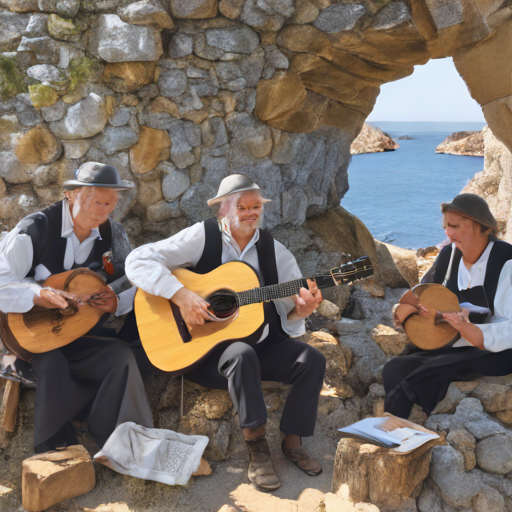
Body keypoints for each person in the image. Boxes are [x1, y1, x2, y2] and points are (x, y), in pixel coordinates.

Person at [125, 174, 326, 492]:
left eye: (256, 206)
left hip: (261, 347)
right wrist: (181, 295)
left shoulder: (275, 252)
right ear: (223, 210)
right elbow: (138, 260)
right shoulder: (202, 237)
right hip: (205, 352)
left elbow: (291, 314)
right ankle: (258, 450)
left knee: (312, 360)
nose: (250, 213)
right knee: (240, 355)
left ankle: (293, 440)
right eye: (242, 207)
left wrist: (300, 311)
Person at [0, 162, 153, 453]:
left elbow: (135, 278)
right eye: (98, 202)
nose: (105, 211)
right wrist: (37, 294)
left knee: (122, 357)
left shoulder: (112, 233)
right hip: (29, 337)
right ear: (72, 194)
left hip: (79, 332)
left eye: (111, 203)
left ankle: (115, 443)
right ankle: (55, 448)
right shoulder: (36, 229)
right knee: (52, 364)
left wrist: (116, 300)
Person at [383, 193, 512, 418]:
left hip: (494, 350)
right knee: (393, 369)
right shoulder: (448, 255)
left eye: (454, 226)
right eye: (445, 226)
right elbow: (419, 294)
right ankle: (401, 428)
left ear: (482, 227)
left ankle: (394, 430)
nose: (448, 234)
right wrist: (404, 310)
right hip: (449, 342)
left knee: (428, 372)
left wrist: (468, 328)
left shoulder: (506, 260)